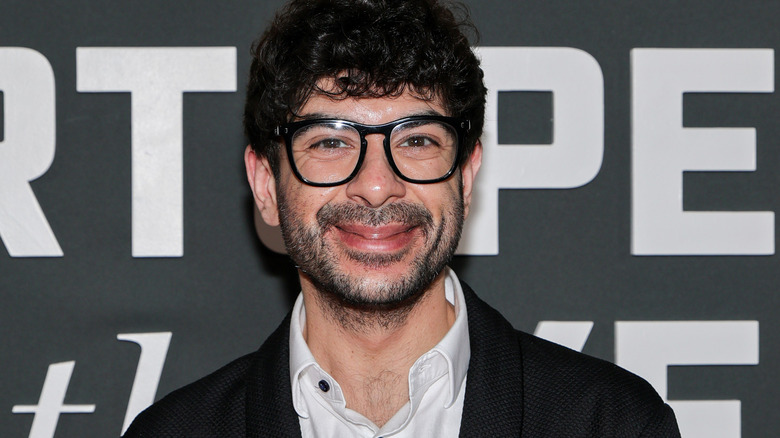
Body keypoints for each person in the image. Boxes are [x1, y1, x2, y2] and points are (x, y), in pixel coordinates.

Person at [124, 0, 681, 436]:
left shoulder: (611, 423)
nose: (375, 185)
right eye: (329, 142)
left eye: (415, 140)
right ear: (266, 184)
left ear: (465, 175)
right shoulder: (174, 432)